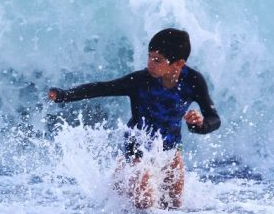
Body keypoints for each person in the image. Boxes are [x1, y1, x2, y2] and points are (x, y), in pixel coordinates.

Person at [47, 28, 221, 209]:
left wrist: (200, 124)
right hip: (137, 144)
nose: (150, 64)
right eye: (149, 57)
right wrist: (64, 95)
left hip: (170, 148)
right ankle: (125, 172)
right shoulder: (139, 81)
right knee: (144, 203)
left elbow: (214, 118)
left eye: (158, 60)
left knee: (173, 204)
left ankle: (121, 176)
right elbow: (102, 88)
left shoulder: (193, 81)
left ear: (178, 64)